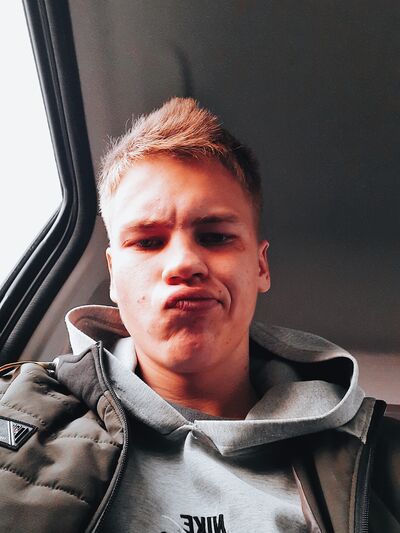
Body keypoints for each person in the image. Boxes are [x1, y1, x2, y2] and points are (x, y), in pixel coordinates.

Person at [0, 98, 398, 533]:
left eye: (215, 236)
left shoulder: (386, 464)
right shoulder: (13, 414)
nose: (184, 263)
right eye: (148, 242)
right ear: (113, 275)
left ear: (260, 267)